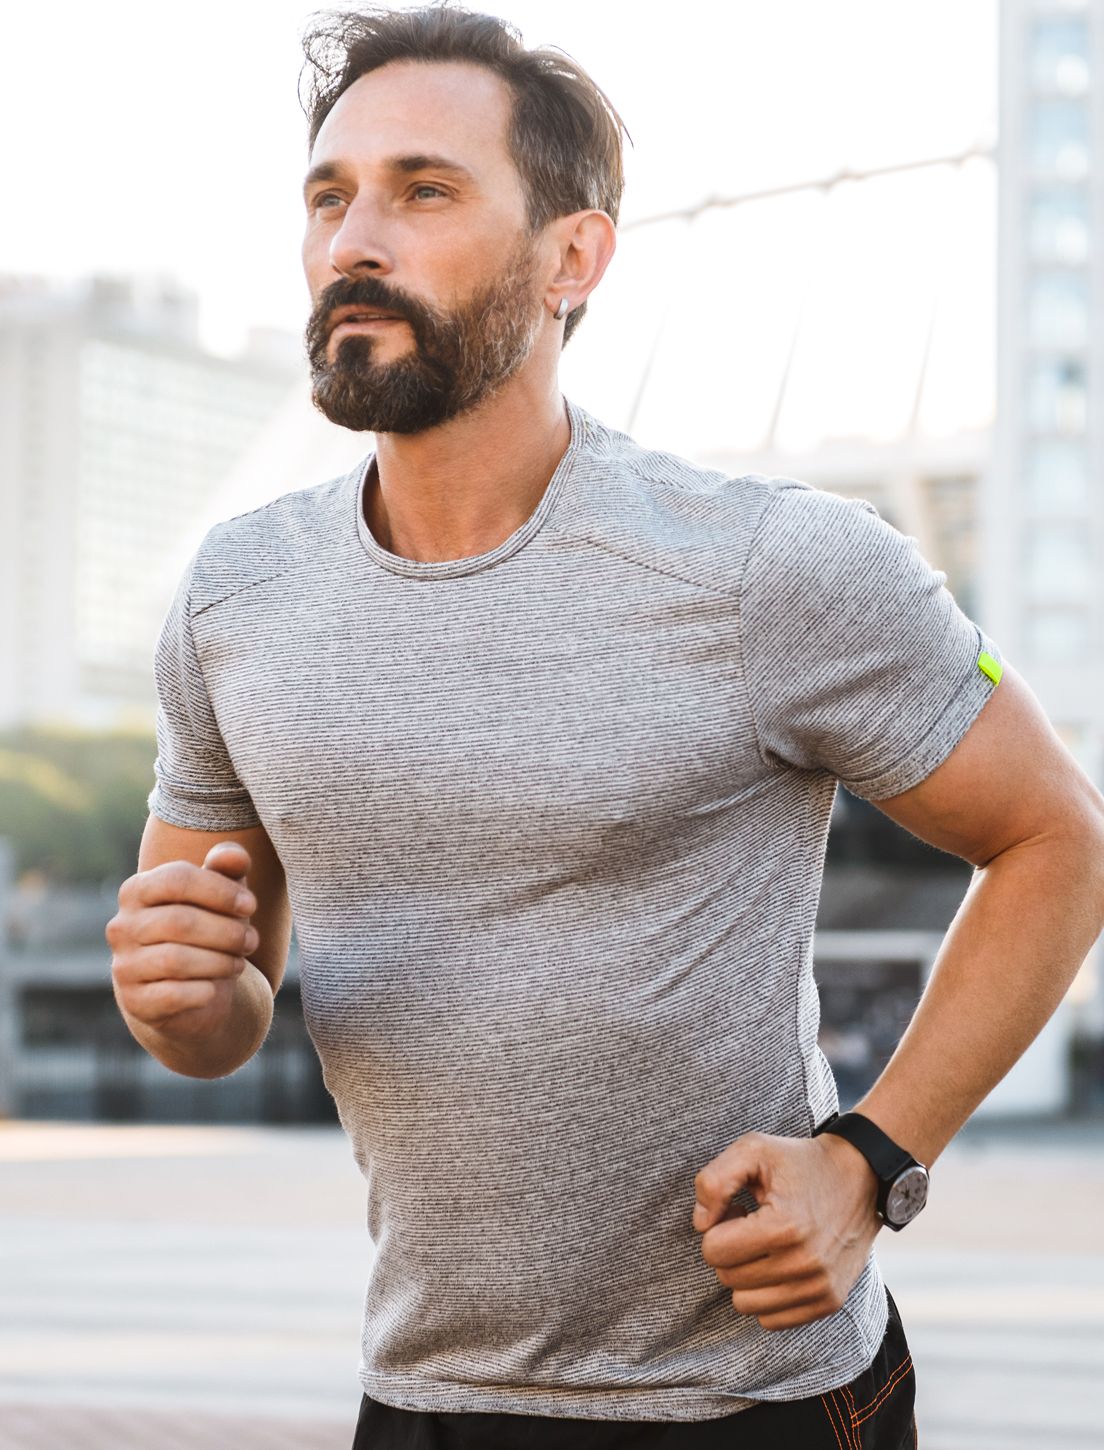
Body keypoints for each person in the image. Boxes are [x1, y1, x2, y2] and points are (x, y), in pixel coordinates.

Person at [104, 7, 1104, 1448]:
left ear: (573, 257)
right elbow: (217, 1008)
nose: (352, 241)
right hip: (422, 1396)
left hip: (756, 1399)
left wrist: (874, 1156)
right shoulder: (235, 597)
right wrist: (178, 998)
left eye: (424, 190)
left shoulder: (773, 566)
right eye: (331, 196)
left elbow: (1057, 834)